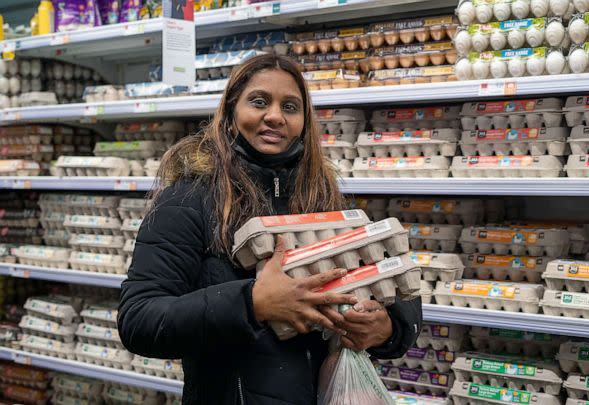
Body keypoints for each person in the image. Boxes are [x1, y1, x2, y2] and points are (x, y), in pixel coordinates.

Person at [118, 54, 422, 405]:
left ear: (304, 122)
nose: (275, 116)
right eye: (259, 101)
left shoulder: (323, 197)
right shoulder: (189, 198)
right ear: (231, 112)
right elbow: (139, 320)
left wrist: (386, 329)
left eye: (290, 107)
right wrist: (252, 304)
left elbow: (396, 286)